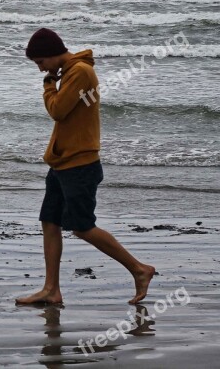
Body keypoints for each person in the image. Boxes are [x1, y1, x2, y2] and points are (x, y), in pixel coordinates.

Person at [15, 28, 156, 305]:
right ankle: (51, 290)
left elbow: (57, 110)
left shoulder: (79, 72)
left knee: (81, 227)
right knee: (50, 222)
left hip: (79, 164)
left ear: (52, 54)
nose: (40, 68)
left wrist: (48, 85)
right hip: (62, 162)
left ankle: (139, 269)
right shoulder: (69, 72)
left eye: (40, 62)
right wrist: (54, 80)